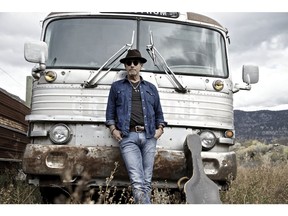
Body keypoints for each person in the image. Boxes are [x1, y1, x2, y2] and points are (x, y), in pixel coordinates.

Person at [105, 49, 167, 204]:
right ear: (125, 66)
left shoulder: (151, 88)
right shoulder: (117, 87)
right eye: (128, 63)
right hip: (128, 137)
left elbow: (159, 112)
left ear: (141, 66)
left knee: (147, 180)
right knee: (137, 180)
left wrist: (160, 129)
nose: (132, 65)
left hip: (149, 136)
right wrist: (113, 130)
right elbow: (110, 113)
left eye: (135, 63)